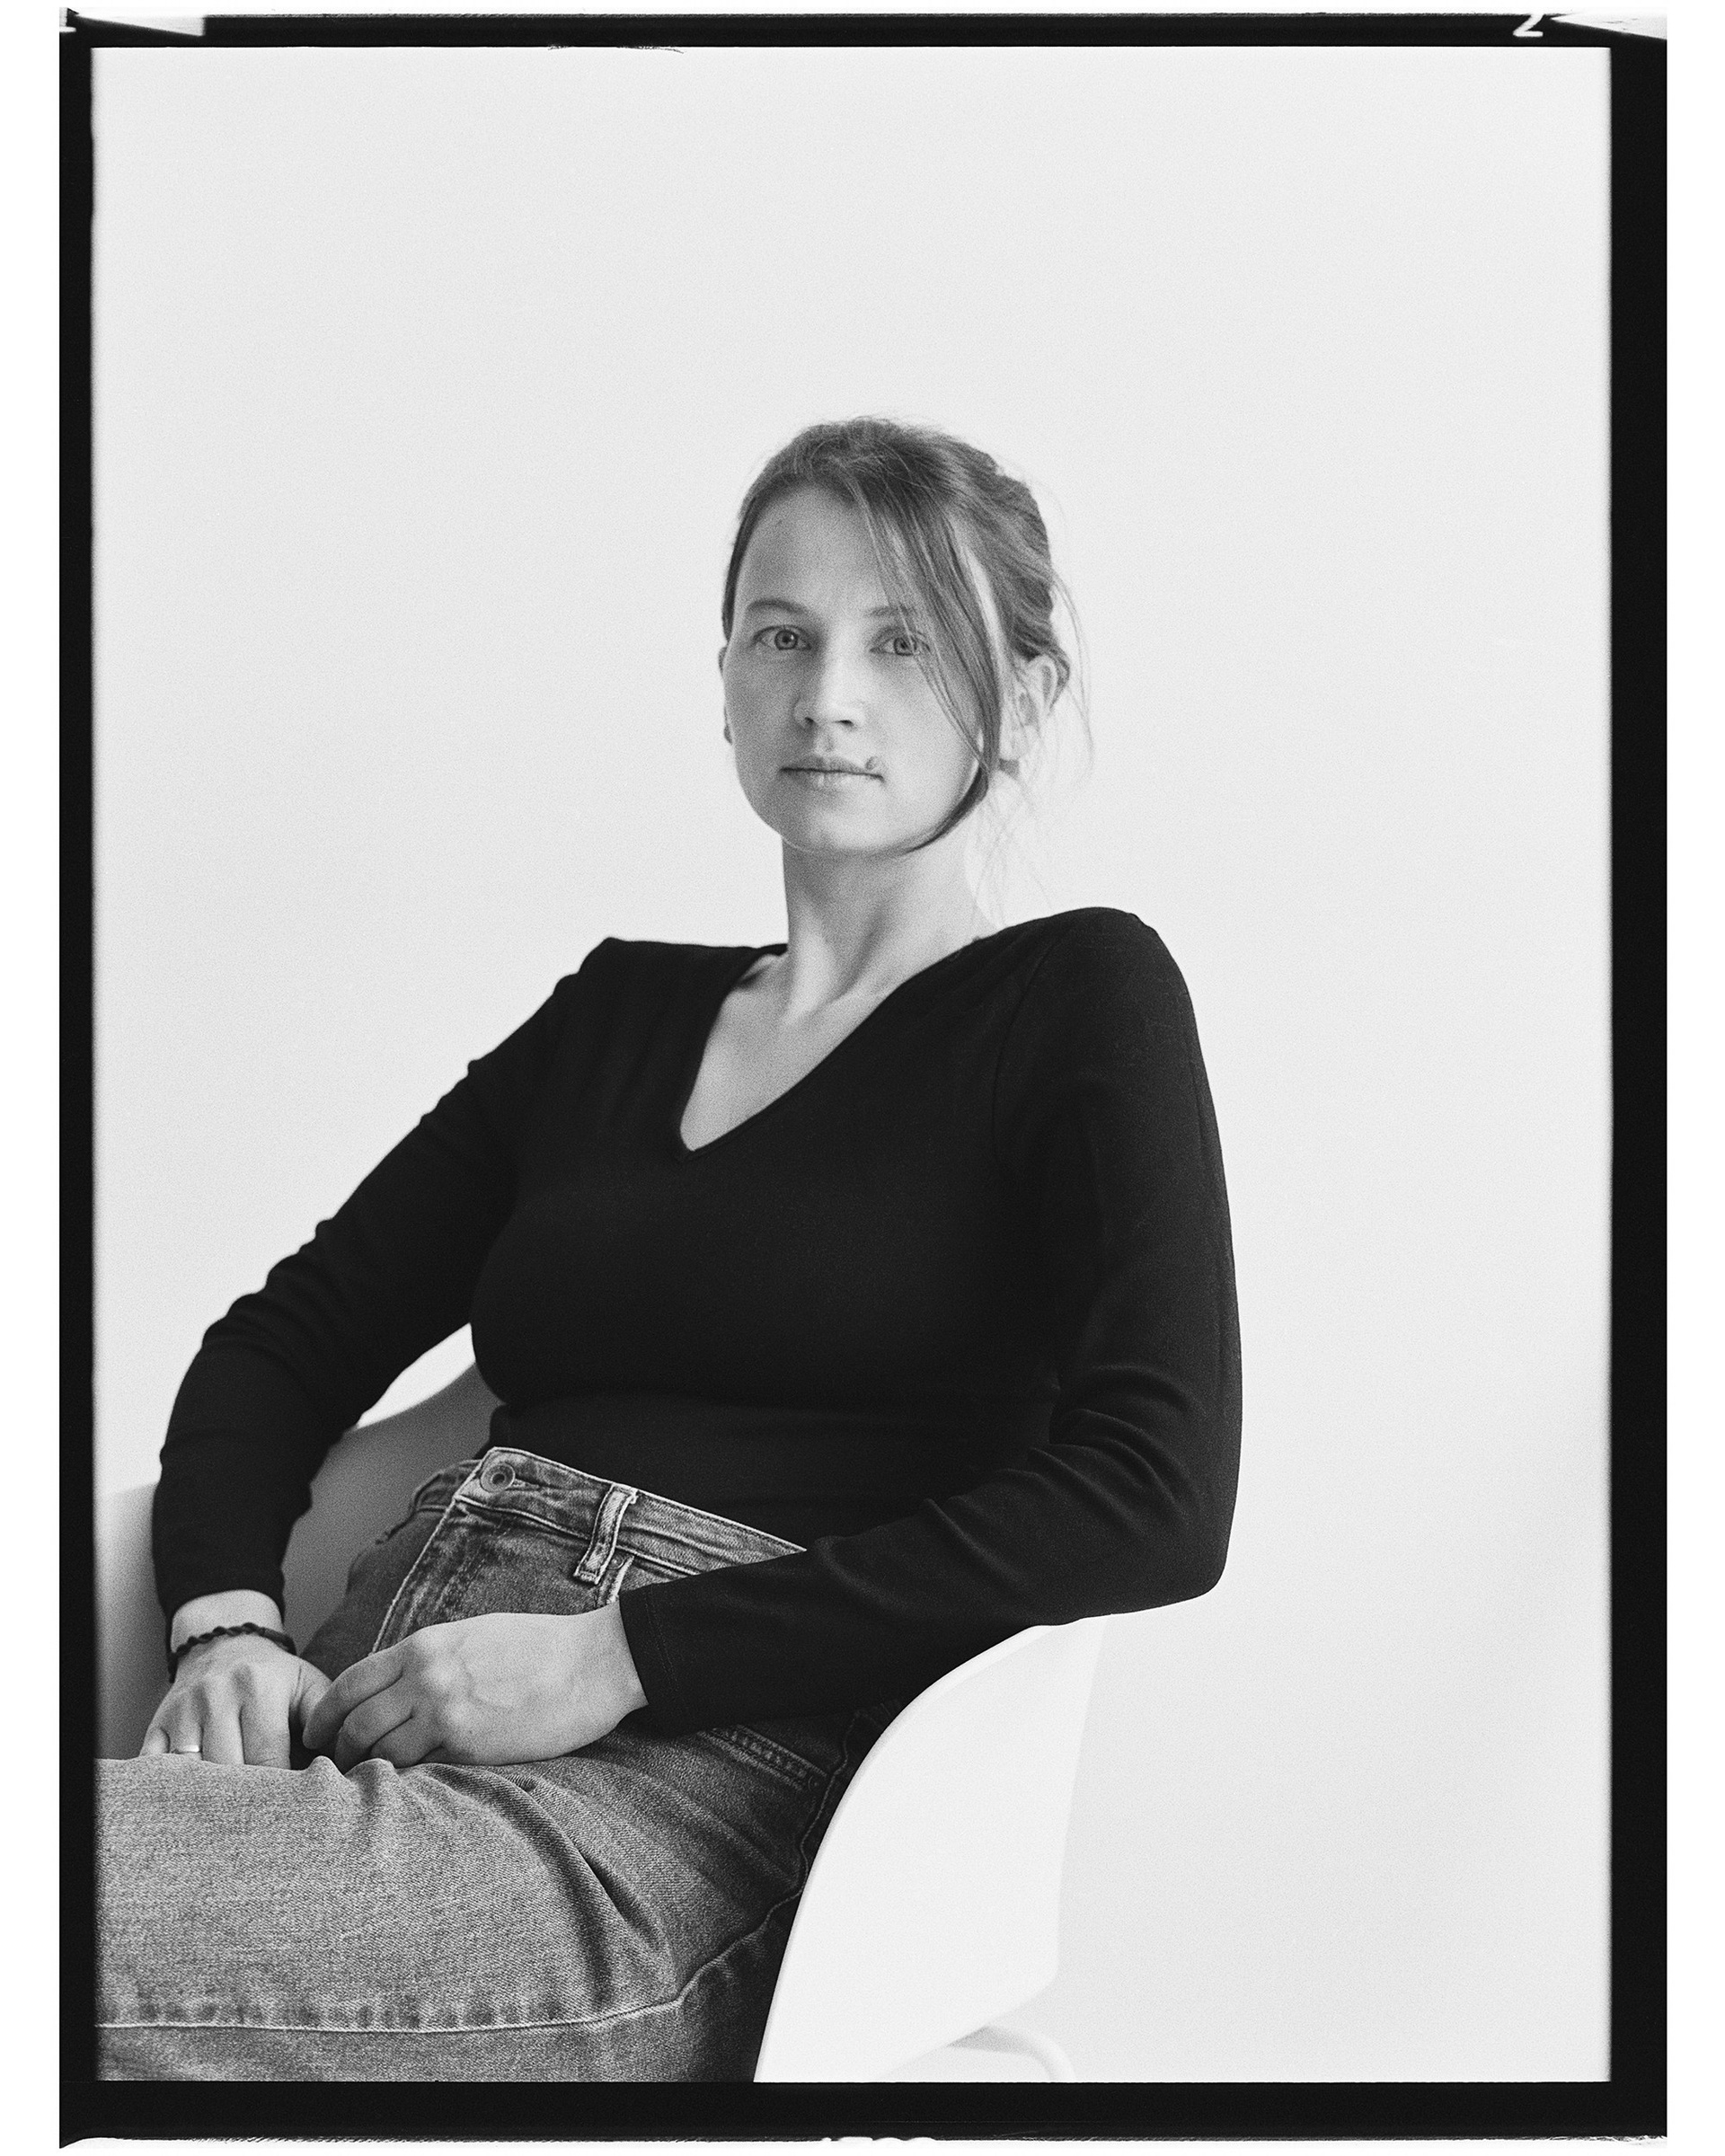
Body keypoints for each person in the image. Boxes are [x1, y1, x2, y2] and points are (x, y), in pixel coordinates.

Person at [95, 415, 1243, 2081]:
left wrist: (621, 1659)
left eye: (903, 641)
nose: (826, 694)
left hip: (697, 1793)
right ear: (723, 683)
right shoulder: (613, 1015)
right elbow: (286, 1342)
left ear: (1027, 692)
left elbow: (1157, 1491)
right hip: (372, 1696)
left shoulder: (1078, 1003)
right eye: (781, 636)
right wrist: (224, 1625)